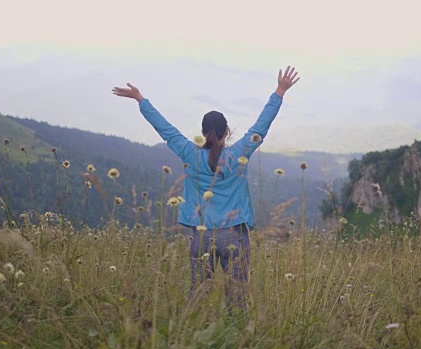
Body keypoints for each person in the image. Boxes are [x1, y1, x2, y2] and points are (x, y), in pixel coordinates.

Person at [112, 66, 300, 311]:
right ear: (226, 132)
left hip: (202, 236)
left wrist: (140, 99)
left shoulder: (189, 153)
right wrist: (280, 91)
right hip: (235, 234)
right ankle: (238, 343)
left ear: (202, 133)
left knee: (198, 299)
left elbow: (166, 130)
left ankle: (197, 344)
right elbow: (260, 128)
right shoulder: (238, 154)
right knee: (239, 300)